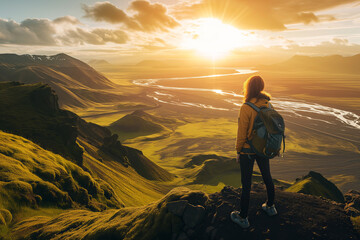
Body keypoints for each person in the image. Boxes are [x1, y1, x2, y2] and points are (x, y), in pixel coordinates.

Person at [230, 75, 277, 229]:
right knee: (267, 177)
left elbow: (242, 132)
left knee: (246, 183)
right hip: (263, 149)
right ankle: (270, 207)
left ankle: (243, 217)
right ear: (262, 87)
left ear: (248, 88)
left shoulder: (246, 107)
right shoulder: (268, 105)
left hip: (247, 151)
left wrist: (238, 150)